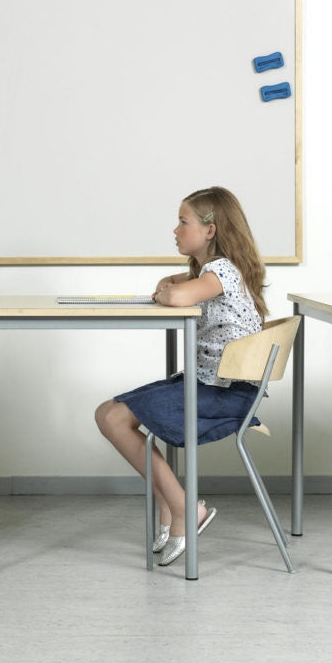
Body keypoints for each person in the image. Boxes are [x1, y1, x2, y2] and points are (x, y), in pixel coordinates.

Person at [94, 187, 267, 566]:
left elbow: (174, 297)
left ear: (210, 230)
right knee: (106, 413)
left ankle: (186, 509)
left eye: (183, 222)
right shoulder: (210, 271)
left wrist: (167, 291)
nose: (175, 230)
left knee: (115, 418)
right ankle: (172, 505)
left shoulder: (222, 271)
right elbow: (174, 284)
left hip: (227, 392)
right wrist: (170, 283)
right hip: (209, 383)